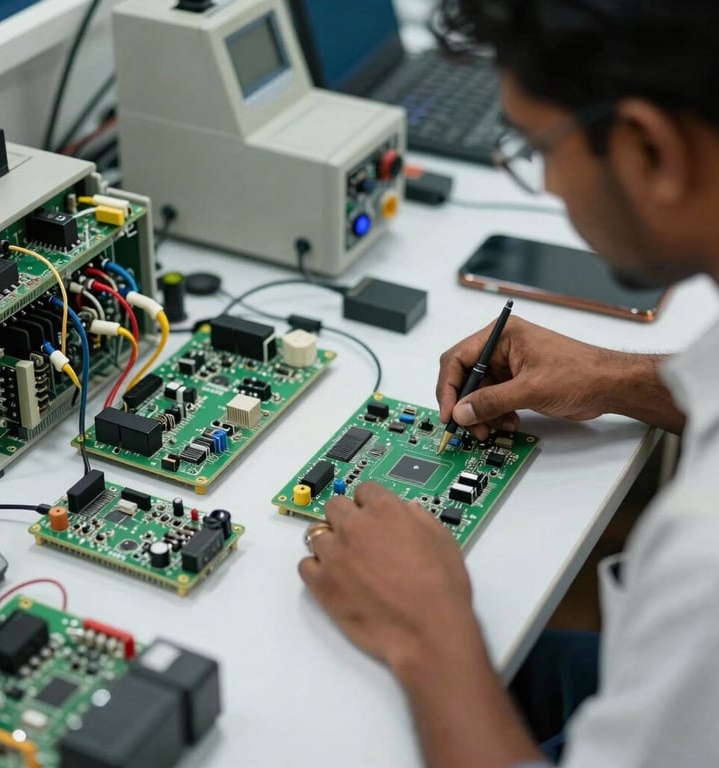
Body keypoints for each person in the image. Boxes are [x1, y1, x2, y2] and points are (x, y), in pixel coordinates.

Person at [297, 1, 719, 766]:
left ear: (648, 147)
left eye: (538, 148)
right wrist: (618, 379)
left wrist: (428, 628)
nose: (548, 185)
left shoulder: (704, 561)